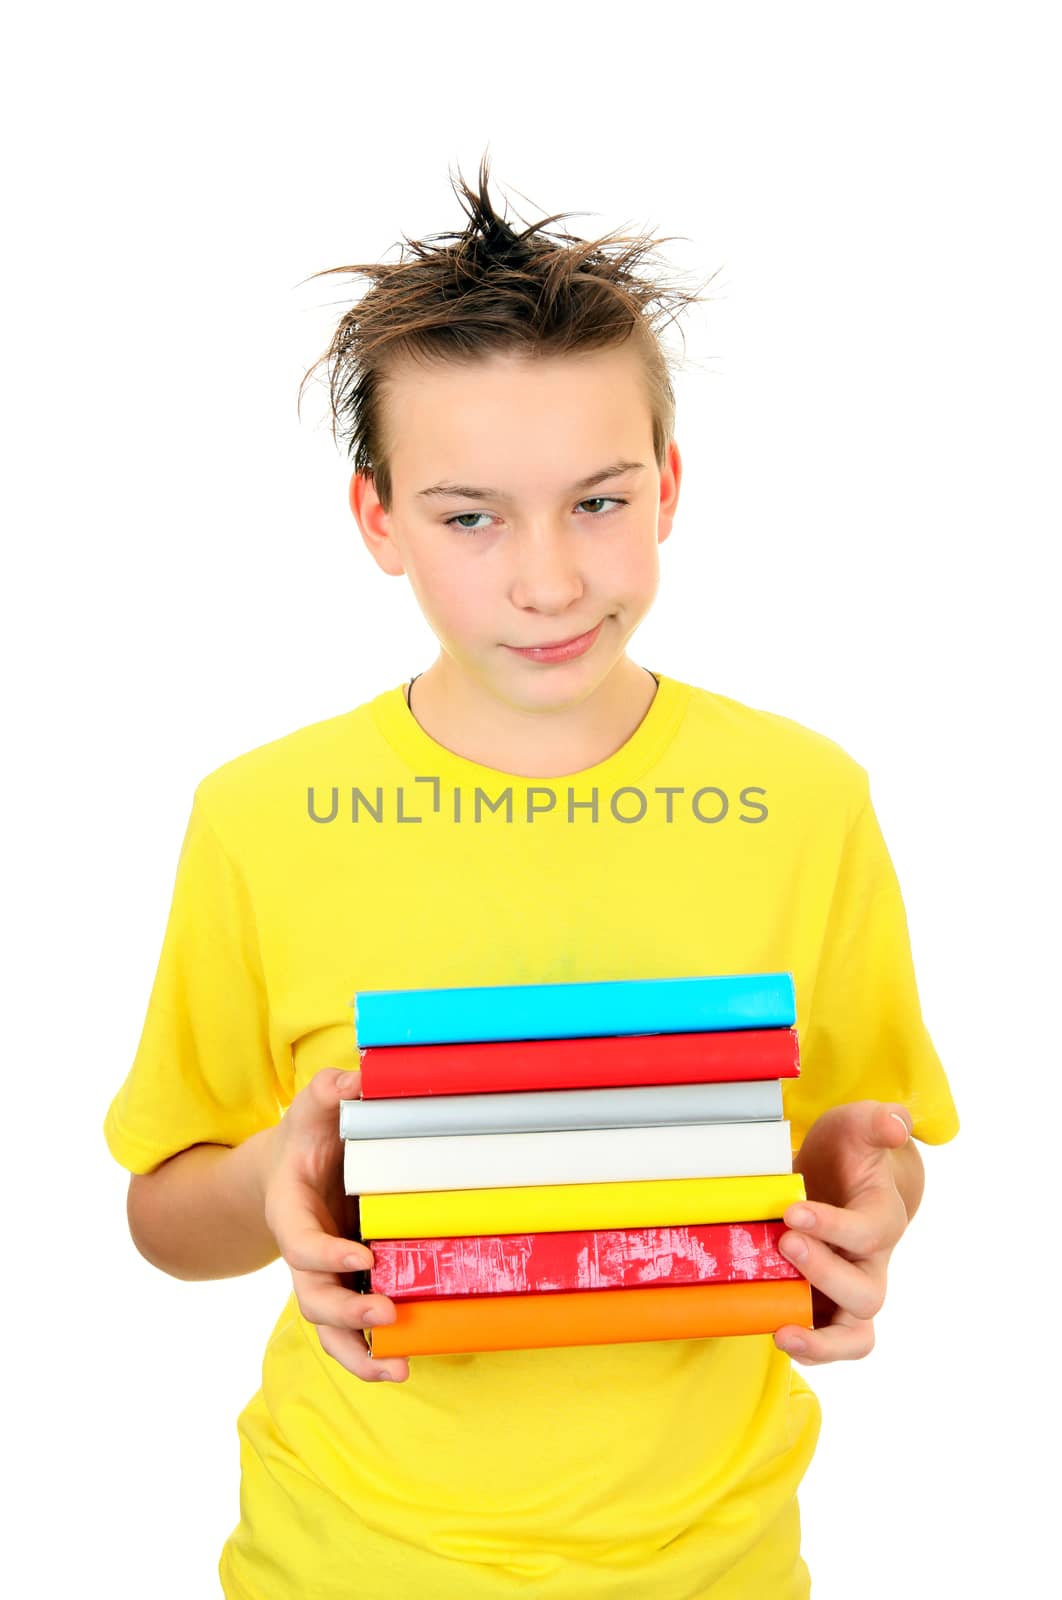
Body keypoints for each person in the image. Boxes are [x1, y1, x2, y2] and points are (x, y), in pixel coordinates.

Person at [103, 152, 960, 1599]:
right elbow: (160, 1213)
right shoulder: (260, 817)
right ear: (377, 520)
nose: (551, 581)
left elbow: (864, 1142)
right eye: (471, 516)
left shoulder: (809, 801)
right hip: (349, 1559)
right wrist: (276, 1186)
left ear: (671, 486)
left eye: (599, 502)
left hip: (720, 1564)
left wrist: (859, 1196)